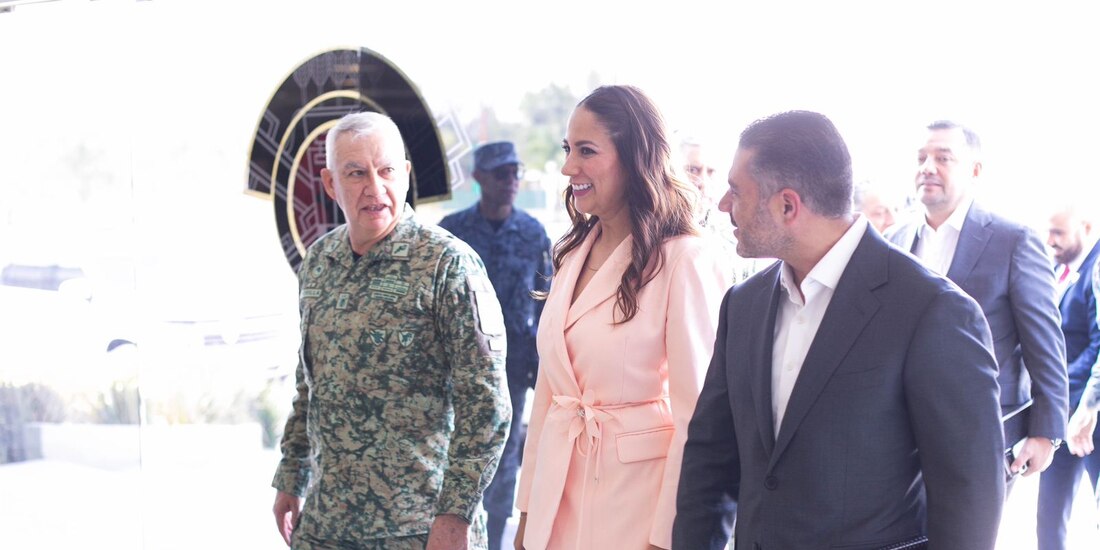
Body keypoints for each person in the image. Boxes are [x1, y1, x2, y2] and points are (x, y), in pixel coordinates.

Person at [674, 110, 1005, 549]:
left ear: (787, 205)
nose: (722, 206)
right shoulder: (743, 305)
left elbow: (969, 496)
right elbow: (709, 462)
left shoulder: (933, 311)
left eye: (736, 191)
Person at [270, 112, 511, 550]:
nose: (374, 188)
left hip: (419, 529)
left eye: (386, 171)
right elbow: (312, 383)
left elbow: (487, 406)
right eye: (356, 173)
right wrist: (292, 474)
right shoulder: (320, 263)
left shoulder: (447, 265)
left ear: (405, 174)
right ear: (330, 185)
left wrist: (455, 515)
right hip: (326, 526)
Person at [513, 85, 732, 550]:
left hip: (636, 509)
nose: (570, 166)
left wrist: (668, 536)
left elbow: (700, 415)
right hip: (558, 502)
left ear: (635, 157)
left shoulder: (686, 259)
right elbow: (551, 394)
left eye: (587, 151)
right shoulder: (570, 254)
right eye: (567, 150)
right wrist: (528, 511)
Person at [886, 120, 1069, 482]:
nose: (927, 167)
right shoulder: (893, 240)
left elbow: (1044, 342)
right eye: (921, 157)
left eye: (943, 157)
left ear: (974, 170)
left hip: (985, 433)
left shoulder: (1013, 240)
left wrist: (1046, 431)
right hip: (900, 431)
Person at [438, 141, 553, 550]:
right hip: (454, 369)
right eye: (501, 173)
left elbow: (546, 305)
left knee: (503, 464)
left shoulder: (533, 232)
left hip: (511, 366)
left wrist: (543, 368)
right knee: (452, 456)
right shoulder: (452, 232)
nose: (511, 182)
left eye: (515, 173)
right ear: (479, 178)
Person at [1038, 201, 1100, 550]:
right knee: (1049, 517)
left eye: (1059, 232)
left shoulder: (1097, 267)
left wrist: (1062, 394)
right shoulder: (1059, 269)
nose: (1050, 241)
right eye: (1048, 231)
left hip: (1091, 412)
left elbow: (1097, 345)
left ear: (1086, 228)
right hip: (1062, 411)